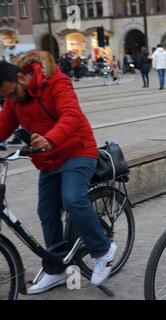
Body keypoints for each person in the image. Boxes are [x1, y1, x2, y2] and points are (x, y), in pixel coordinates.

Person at [0, 52, 117, 294]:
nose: (10, 99)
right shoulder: (13, 101)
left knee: (72, 198)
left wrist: (50, 139)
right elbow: (3, 126)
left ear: (22, 77)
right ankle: (57, 268)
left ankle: (103, 250)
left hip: (77, 151)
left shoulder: (55, 81)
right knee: (46, 212)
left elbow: (71, 116)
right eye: (5, 98)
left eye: (11, 93)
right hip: (47, 159)